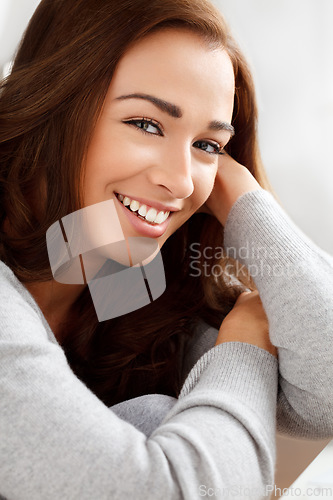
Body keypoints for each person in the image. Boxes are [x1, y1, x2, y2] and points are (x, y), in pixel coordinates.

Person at [0, 0, 332, 498]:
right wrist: (244, 347)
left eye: (208, 145)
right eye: (146, 124)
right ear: (52, 105)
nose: (180, 181)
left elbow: (325, 394)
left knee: (151, 416)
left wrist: (243, 201)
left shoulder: (128, 293)